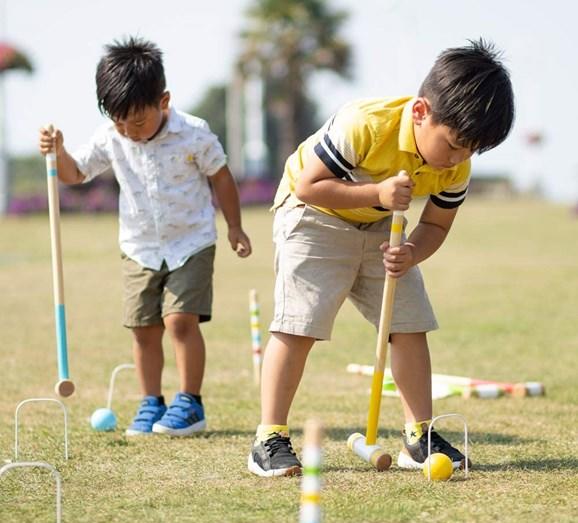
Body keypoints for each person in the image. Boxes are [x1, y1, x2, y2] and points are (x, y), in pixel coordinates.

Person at [248, 39, 514, 477]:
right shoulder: (365, 124)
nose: (459, 158)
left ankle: (418, 435)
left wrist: (411, 253)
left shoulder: (455, 165)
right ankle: (269, 437)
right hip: (313, 214)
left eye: (472, 150)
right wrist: (378, 192)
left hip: (381, 227)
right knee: (299, 324)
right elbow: (308, 186)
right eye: (453, 144)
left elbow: (436, 225)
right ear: (421, 112)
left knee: (409, 323)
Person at [39, 37, 252, 436]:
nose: (129, 132)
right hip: (139, 248)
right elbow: (74, 174)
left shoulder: (194, 133)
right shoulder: (111, 137)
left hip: (191, 242)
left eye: (138, 122)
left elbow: (221, 175)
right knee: (143, 328)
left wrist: (234, 226)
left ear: (164, 101)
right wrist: (58, 152)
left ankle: (190, 403)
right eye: (120, 122)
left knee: (180, 322)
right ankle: (151, 402)